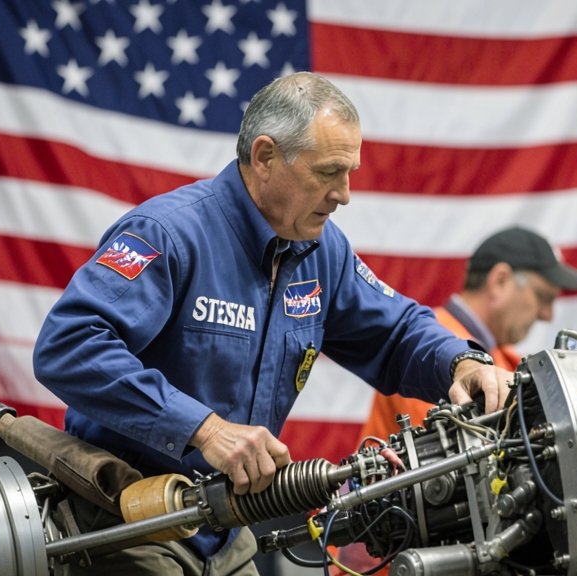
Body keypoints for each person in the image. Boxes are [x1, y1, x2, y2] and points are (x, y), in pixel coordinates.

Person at [32, 72, 512, 576]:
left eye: (349, 172)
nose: (345, 194)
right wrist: (204, 429)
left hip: (224, 530)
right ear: (264, 157)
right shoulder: (168, 233)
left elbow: (396, 333)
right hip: (124, 513)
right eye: (329, 172)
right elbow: (68, 345)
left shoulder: (323, 252)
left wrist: (461, 362)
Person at [330, 226, 577, 575]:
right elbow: (457, 478)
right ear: (499, 281)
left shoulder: (506, 363)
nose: (546, 314)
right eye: (543, 297)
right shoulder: (430, 350)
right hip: (388, 562)